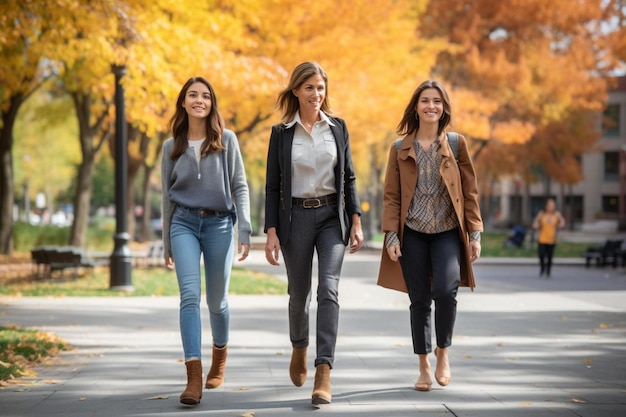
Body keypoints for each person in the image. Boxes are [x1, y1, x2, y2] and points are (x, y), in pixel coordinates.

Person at [264, 61, 364, 406]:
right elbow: (272, 185)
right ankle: (299, 345)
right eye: (309, 88)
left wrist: (356, 218)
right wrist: (271, 230)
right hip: (294, 218)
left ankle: (324, 370)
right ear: (296, 91)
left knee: (329, 289)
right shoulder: (281, 134)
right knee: (299, 294)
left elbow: (348, 177)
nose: (316, 94)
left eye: (321, 88)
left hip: (331, 218)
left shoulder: (337, 127)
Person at [377, 80, 483, 392]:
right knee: (419, 299)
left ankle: (443, 354)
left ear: (444, 108)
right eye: (425, 101)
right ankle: (423, 365)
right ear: (416, 107)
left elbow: (470, 191)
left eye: (437, 101)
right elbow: (391, 197)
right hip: (412, 233)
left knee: (447, 291)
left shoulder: (456, 143)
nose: (431, 106)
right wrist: (392, 238)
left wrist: (475, 232)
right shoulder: (399, 149)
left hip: (448, 232)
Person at [161, 77, 252, 406]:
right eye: (192, 95)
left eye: (205, 96)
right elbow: (166, 198)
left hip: (220, 226)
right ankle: (193, 378)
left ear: (212, 103)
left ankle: (220, 356)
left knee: (217, 302)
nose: (199, 100)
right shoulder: (170, 146)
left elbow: (240, 186)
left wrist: (245, 229)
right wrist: (167, 243)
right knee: (189, 296)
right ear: (183, 102)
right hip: (183, 222)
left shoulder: (226, 140)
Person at [531, 198, 565, 278]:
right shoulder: (542, 214)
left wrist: (561, 225)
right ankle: (542, 268)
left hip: (552, 239)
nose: (552, 207)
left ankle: (548, 272)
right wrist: (536, 225)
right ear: (546, 206)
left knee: (550, 257)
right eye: (550, 205)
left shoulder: (557, 214)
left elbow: (562, 222)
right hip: (542, 239)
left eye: (553, 205)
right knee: (541, 255)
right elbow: (535, 222)